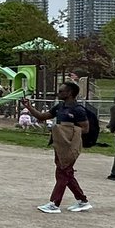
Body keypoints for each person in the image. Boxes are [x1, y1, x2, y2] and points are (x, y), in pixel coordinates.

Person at [21, 81, 92, 213]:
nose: (58, 93)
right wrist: (29, 107)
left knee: (62, 172)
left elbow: (85, 129)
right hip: (60, 144)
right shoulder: (60, 106)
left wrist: (67, 129)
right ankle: (82, 201)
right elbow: (42, 116)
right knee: (66, 173)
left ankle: (54, 203)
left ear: (70, 93)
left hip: (71, 145)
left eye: (61, 91)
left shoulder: (78, 109)